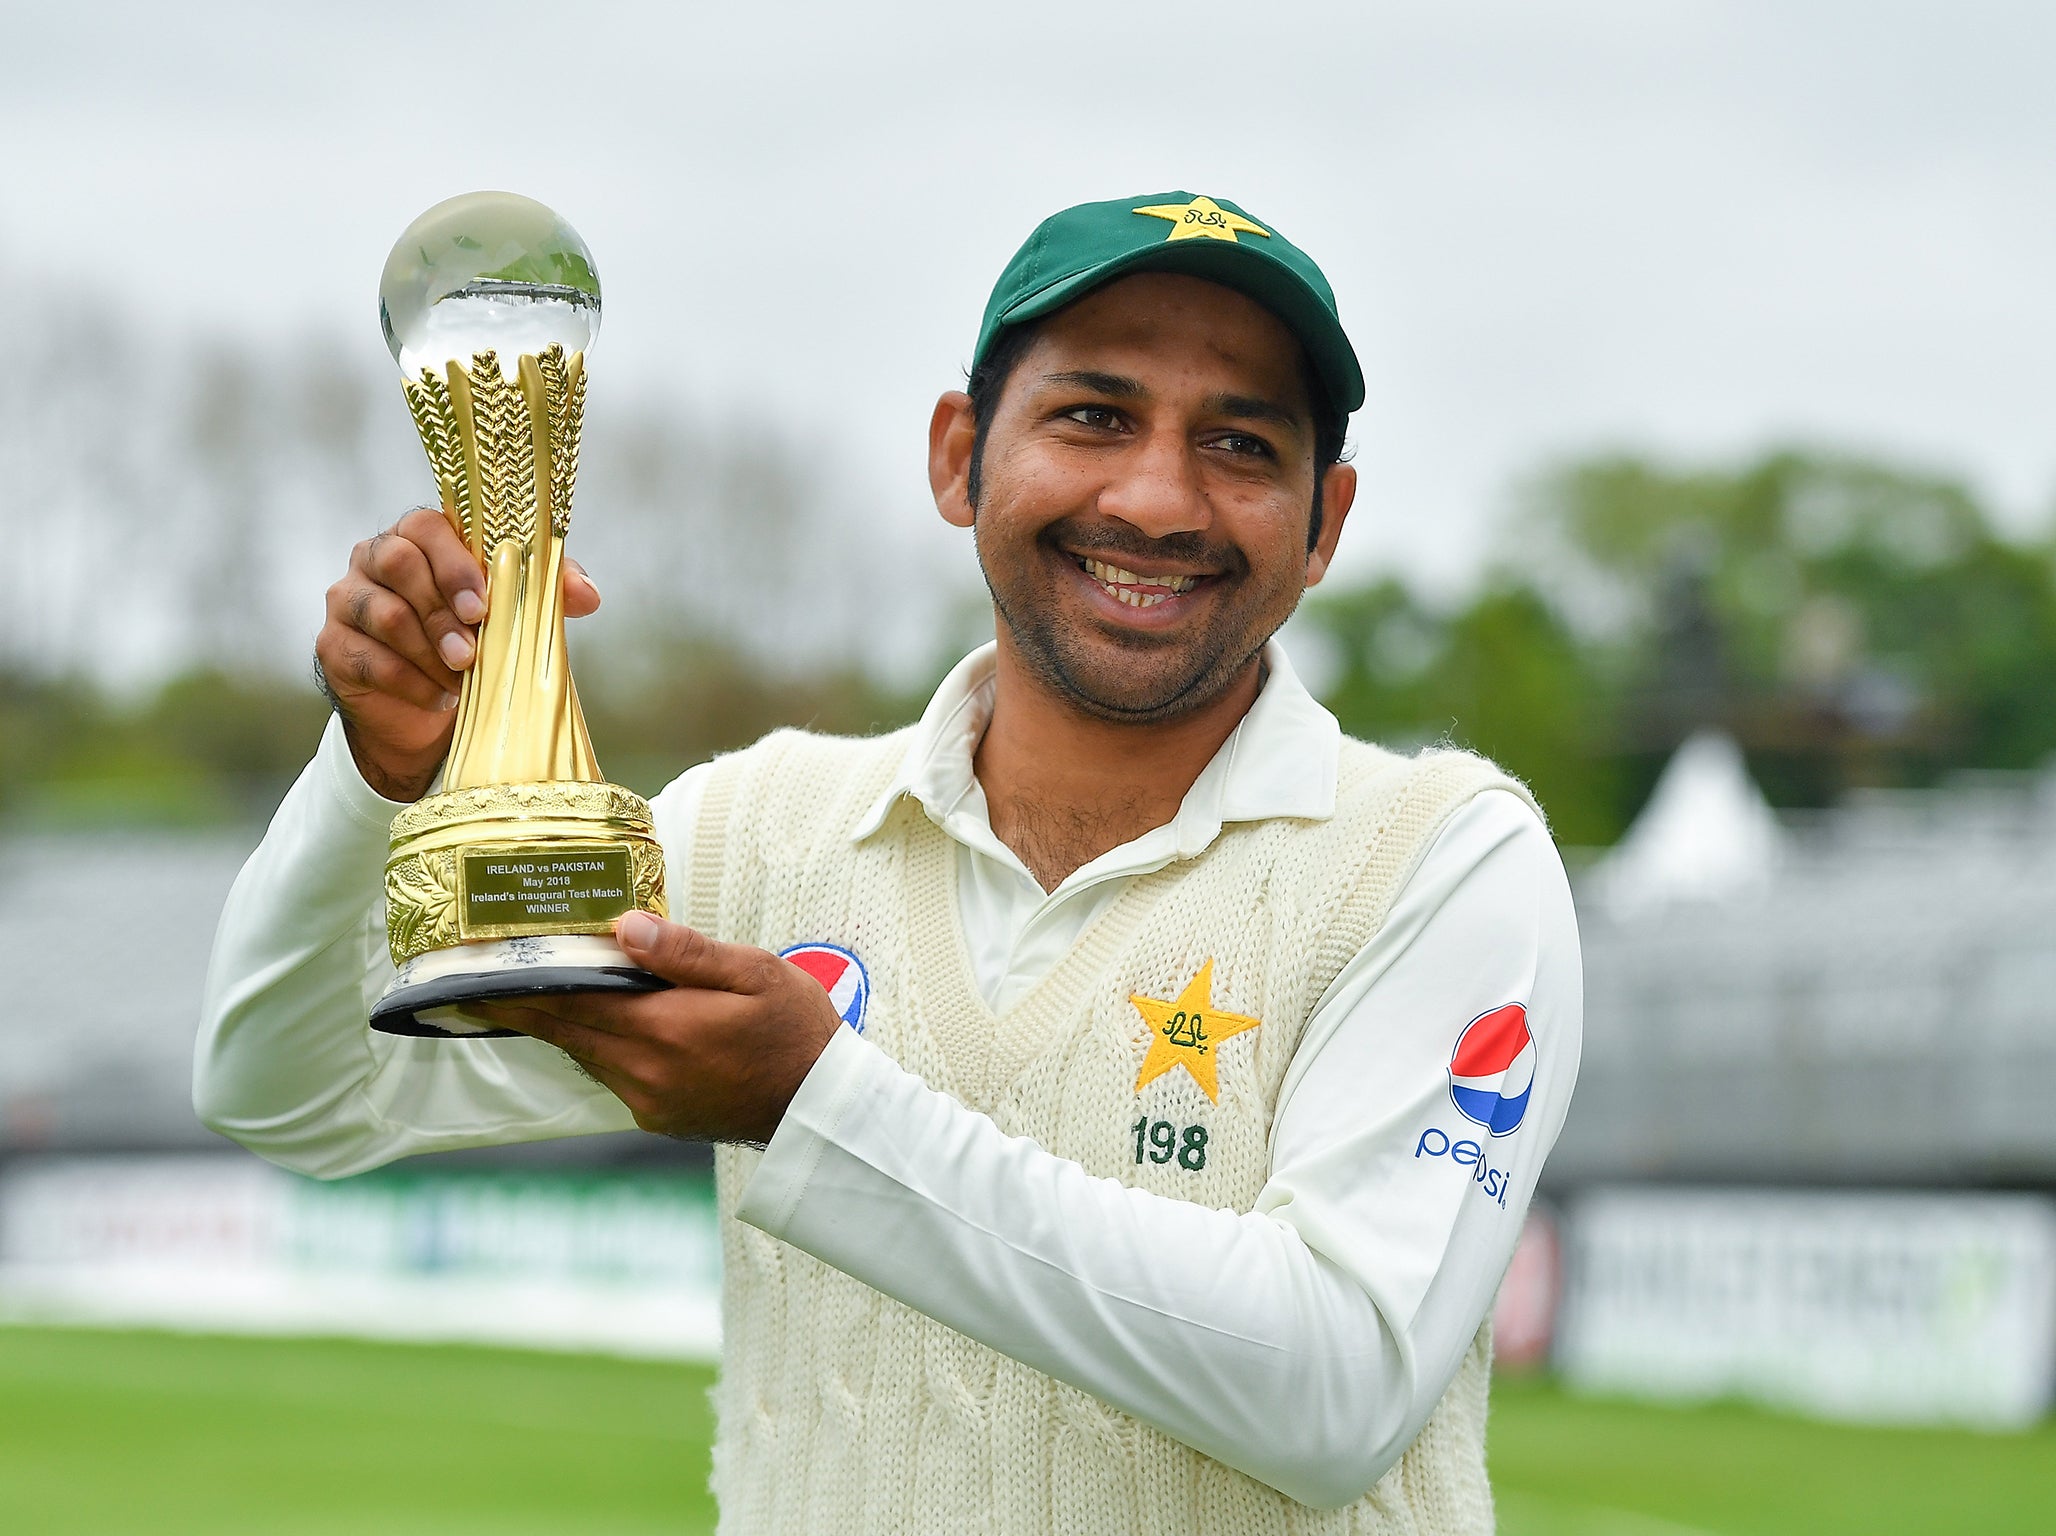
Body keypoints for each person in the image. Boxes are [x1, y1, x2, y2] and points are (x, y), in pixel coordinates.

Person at [197, 190, 1581, 1534]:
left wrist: (814, 1108)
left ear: (1325, 520)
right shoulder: (758, 831)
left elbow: (1333, 1387)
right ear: (956, 454)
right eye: (1093, 415)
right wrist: (370, 782)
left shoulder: (1438, 860)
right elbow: (291, 1092)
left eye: (1240, 445)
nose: (1160, 500)